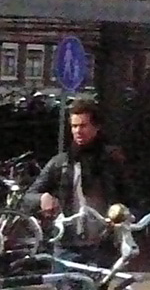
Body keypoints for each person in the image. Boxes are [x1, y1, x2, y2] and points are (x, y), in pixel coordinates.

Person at [31, 98, 131, 233]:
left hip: (105, 242)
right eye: (74, 126)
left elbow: (131, 196)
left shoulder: (111, 160)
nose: (78, 131)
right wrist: (42, 198)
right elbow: (28, 196)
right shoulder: (61, 162)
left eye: (83, 125)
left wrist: (125, 217)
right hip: (67, 243)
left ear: (96, 127)